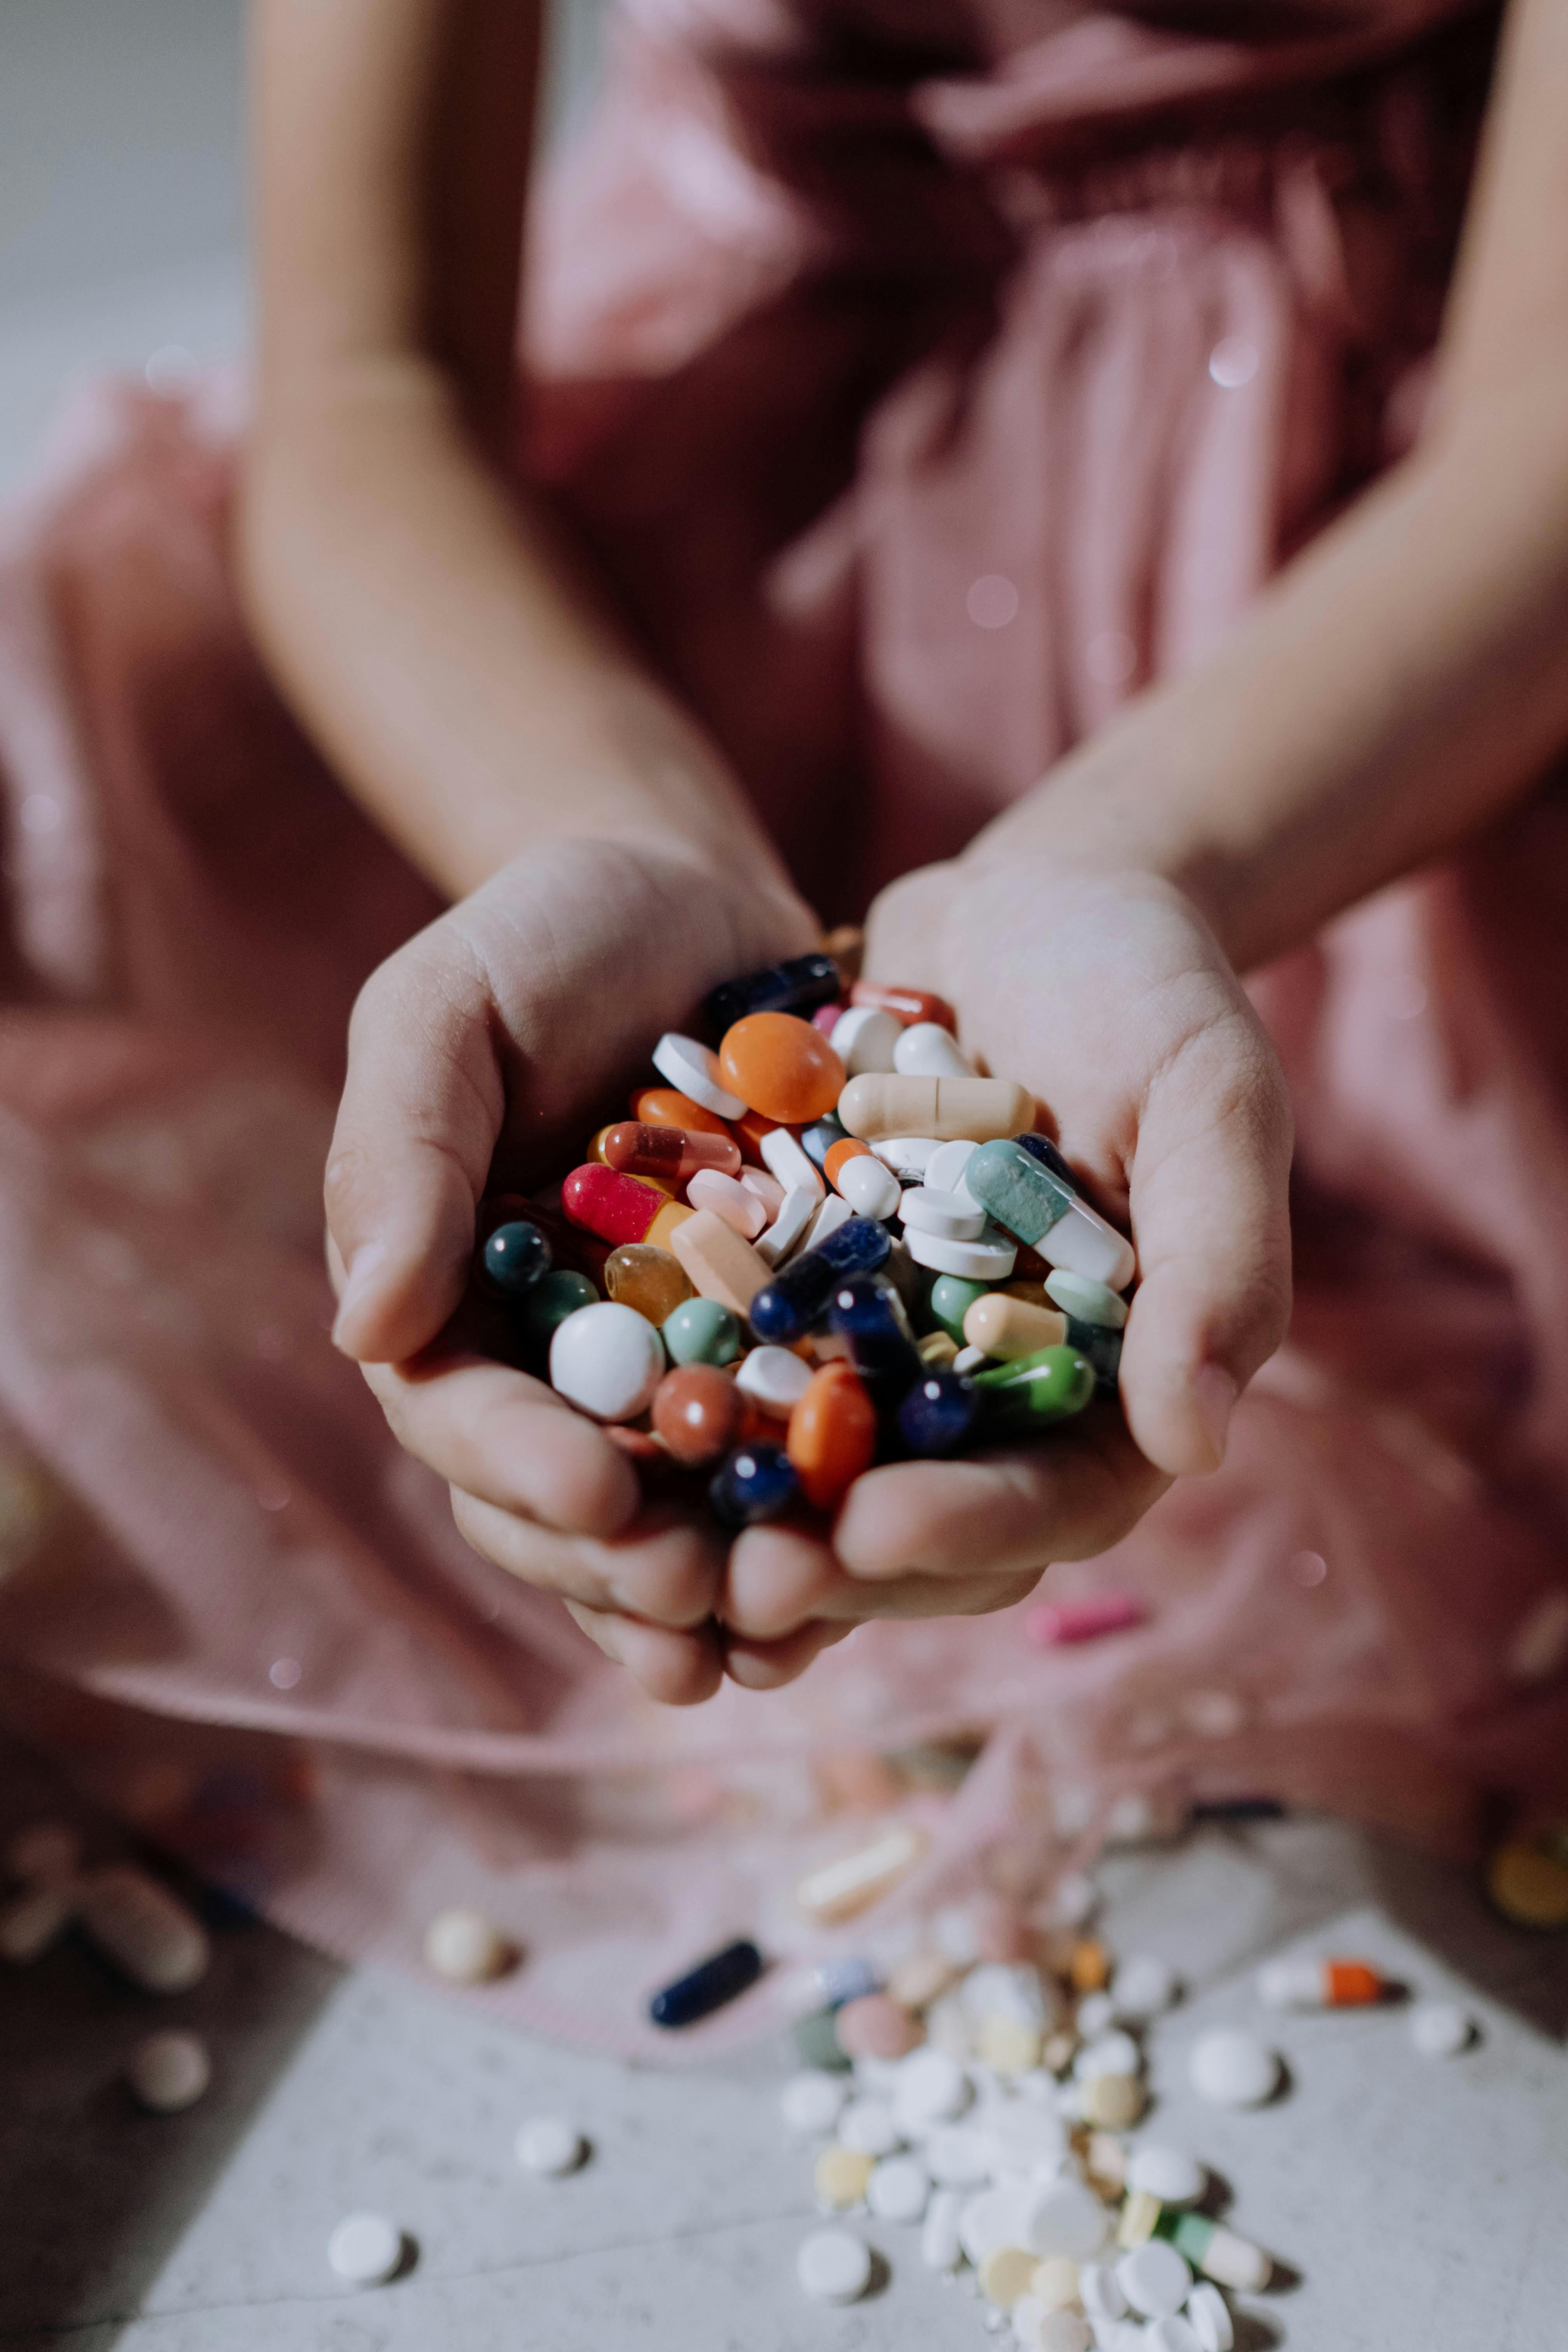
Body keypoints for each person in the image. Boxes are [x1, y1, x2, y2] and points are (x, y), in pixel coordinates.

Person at [0, 0, 1565, 2042]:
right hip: (665, 570)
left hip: (1361, 640)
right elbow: (368, 384)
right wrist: (604, 832)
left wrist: (1130, 865)